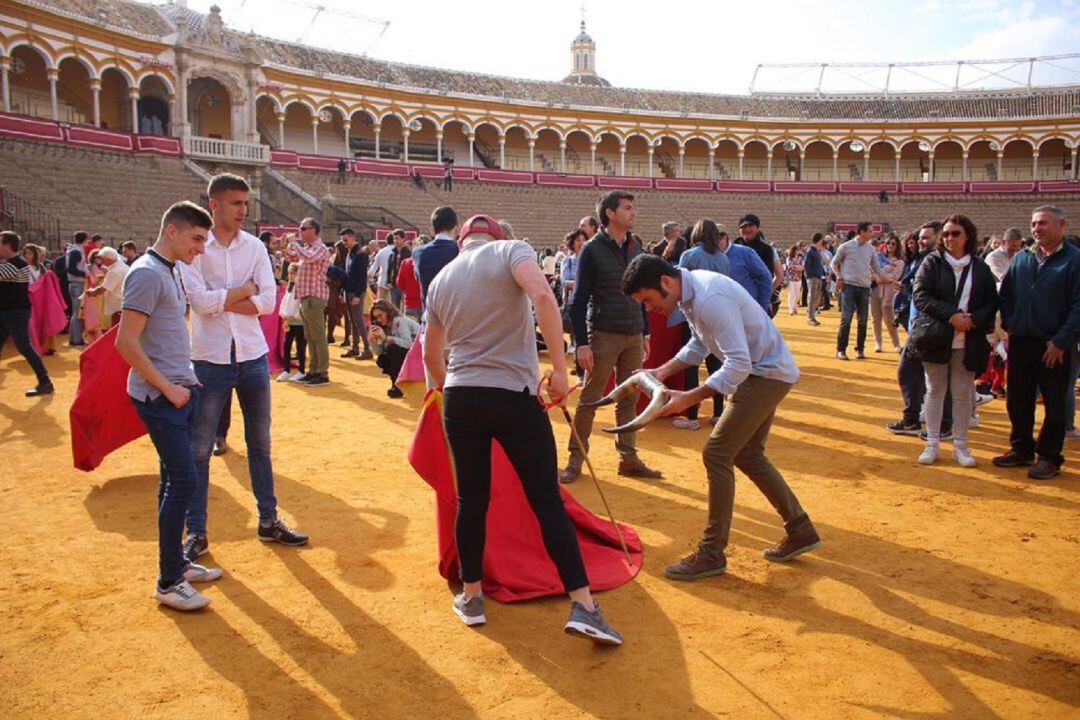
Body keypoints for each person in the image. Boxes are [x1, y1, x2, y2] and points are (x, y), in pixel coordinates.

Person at [423, 213, 623, 645]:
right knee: (546, 502)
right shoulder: (511, 250)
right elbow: (543, 298)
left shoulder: (442, 278)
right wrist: (558, 366)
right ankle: (584, 605)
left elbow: (430, 352)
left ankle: (472, 596)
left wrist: (443, 388)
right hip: (514, 394)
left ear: (462, 242)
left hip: (461, 395)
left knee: (471, 501)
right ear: (495, 235)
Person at [621, 254, 820, 579]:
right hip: (765, 371)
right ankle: (800, 529)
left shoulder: (708, 297)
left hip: (765, 373)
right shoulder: (689, 292)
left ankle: (712, 552)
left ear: (666, 283)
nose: (649, 310)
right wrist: (662, 370)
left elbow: (737, 363)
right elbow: (699, 345)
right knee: (748, 454)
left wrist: (690, 396)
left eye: (648, 300)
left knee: (717, 453)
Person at [179, 173, 309, 564]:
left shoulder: (253, 246)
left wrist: (224, 299)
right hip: (209, 357)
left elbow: (269, 301)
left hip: (250, 355)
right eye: (235, 203)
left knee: (260, 445)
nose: (243, 211)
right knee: (199, 450)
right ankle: (197, 533)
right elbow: (199, 303)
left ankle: (268, 520)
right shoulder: (195, 248)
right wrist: (244, 291)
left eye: (245, 204)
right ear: (214, 204)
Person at [113, 201, 222, 610]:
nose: (200, 249)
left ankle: (175, 563)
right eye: (196, 239)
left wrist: (186, 376)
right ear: (172, 231)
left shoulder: (168, 270)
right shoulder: (146, 273)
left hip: (176, 389)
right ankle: (169, 579)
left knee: (172, 481)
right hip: (161, 397)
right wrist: (169, 387)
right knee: (183, 482)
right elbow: (126, 342)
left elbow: (165, 334)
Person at [561, 190, 661, 483]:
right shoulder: (592, 249)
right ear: (610, 213)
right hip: (603, 333)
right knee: (590, 399)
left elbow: (641, 293)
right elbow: (579, 300)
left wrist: (646, 331)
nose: (634, 213)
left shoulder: (635, 247)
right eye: (628, 208)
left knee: (628, 398)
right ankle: (575, 460)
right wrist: (581, 343)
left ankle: (628, 459)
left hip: (632, 334)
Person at [994, 206, 1080, 480]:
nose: (1036, 229)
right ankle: (1021, 448)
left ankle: (1049, 456)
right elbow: (1006, 295)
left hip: (1054, 345)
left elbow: (1079, 306)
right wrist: (1010, 324)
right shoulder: (1022, 258)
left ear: (1061, 225)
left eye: (1043, 223)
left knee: (1054, 404)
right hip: (1021, 341)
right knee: (1017, 399)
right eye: (1033, 224)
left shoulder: (1075, 260)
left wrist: (1061, 341)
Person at [913, 214, 998, 467]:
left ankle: (961, 446)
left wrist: (972, 319)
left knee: (962, 395)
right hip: (937, 337)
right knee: (935, 392)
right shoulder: (932, 262)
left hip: (968, 338)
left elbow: (991, 301)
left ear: (967, 236)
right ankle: (932, 443)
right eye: (947, 233)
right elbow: (920, 296)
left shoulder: (980, 267)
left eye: (956, 233)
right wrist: (951, 315)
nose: (950, 238)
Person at [887, 222, 953, 437]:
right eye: (920, 237)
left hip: (934, 327)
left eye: (926, 237)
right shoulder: (923, 261)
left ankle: (940, 425)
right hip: (919, 326)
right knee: (911, 373)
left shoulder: (941, 263)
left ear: (939, 237)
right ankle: (913, 420)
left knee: (937, 379)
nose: (921, 241)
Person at [0, 231, 54, 396]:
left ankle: (45, 381)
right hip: (8, 311)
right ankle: (44, 382)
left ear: (7, 245)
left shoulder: (15, 264)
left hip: (14, 312)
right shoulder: (14, 263)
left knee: (25, 347)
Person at [286, 217, 332, 386]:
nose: (300, 231)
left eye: (303, 228)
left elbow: (308, 258)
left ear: (314, 230)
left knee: (318, 337)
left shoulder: (320, 248)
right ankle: (313, 371)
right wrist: (288, 247)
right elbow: (294, 259)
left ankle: (322, 372)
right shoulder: (308, 248)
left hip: (314, 296)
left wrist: (294, 244)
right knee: (310, 337)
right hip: (306, 297)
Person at [832, 221, 885, 360]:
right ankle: (841, 350)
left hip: (864, 287)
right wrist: (839, 277)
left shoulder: (871, 249)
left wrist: (889, 278)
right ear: (861, 232)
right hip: (849, 286)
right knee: (846, 319)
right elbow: (834, 263)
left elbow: (877, 268)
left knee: (863, 320)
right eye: (870, 231)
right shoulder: (846, 247)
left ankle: (859, 349)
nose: (872, 234)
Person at [368, 299, 419, 398]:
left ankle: (399, 386)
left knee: (393, 350)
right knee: (382, 359)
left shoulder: (398, 320)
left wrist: (386, 338)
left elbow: (408, 343)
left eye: (380, 315)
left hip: (419, 352)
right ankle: (396, 384)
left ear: (388, 311)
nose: (379, 320)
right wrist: (372, 341)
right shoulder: (382, 326)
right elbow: (379, 352)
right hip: (408, 352)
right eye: (376, 317)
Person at [737, 214, 783, 317]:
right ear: (739, 230)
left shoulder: (768, 250)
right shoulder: (732, 248)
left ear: (757, 228)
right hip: (736, 300)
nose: (747, 229)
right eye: (743, 227)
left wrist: (766, 294)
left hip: (759, 301)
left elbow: (779, 275)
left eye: (750, 226)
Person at [339, 228, 372, 360]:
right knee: (352, 321)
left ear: (353, 238)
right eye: (343, 241)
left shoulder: (361, 254)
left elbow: (362, 277)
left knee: (358, 321)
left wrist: (358, 295)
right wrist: (343, 291)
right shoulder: (350, 254)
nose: (344, 243)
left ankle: (367, 349)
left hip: (356, 292)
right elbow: (347, 275)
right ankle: (355, 347)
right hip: (349, 291)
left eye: (345, 240)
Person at [871, 233, 904, 353]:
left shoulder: (900, 262)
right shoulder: (878, 258)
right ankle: (878, 342)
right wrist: (883, 276)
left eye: (893, 243)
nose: (891, 245)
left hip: (890, 292)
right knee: (875, 318)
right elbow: (872, 274)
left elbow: (895, 276)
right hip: (875, 290)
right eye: (888, 243)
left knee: (889, 318)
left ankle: (896, 343)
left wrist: (880, 276)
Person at [277, 264, 307, 382]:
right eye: (289, 273)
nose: (290, 276)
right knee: (286, 346)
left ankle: (301, 371)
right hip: (289, 322)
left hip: (299, 323)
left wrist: (294, 316)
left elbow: (301, 306)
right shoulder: (289, 287)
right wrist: (283, 314)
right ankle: (286, 370)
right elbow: (284, 302)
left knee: (300, 347)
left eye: (293, 273)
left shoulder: (302, 288)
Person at [85, 246, 128, 327]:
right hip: (122, 304)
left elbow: (103, 289)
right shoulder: (122, 266)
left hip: (117, 306)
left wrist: (92, 292)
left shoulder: (114, 271)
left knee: (116, 332)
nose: (101, 261)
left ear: (108, 259)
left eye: (102, 258)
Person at [66, 231, 90, 346]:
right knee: (78, 312)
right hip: (77, 283)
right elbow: (71, 269)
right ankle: (76, 339)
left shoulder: (73, 250)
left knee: (75, 312)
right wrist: (84, 274)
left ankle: (73, 338)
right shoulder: (76, 251)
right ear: (85, 240)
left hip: (74, 283)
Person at [325, 240, 350, 348]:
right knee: (331, 313)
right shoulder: (335, 261)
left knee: (347, 316)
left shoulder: (348, 262)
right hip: (334, 292)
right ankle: (330, 336)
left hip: (343, 291)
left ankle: (347, 338)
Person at [803, 233, 827, 326]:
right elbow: (806, 265)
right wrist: (811, 276)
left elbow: (820, 265)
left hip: (818, 277)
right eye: (822, 239)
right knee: (812, 299)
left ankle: (811, 316)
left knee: (815, 299)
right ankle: (810, 318)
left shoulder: (816, 251)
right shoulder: (810, 251)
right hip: (813, 278)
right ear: (819, 240)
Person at [395, 253, 422, 321]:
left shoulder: (405, 263)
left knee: (411, 329)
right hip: (425, 303)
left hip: (410, 302)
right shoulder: (429, 262)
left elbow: (400, 284)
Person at [372, 236, 394, 301]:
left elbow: (374, 266)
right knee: (395, 306)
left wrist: (370, 274)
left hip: (382, 281)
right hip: (394, 283)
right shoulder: (398, 251)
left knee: (381, 305)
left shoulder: (381, 251)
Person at [785, 244, 804, 316]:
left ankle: (795, 307)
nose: (799, 251)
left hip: (799, 278)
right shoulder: (789, 258)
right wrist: (798, 267)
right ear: (795, 250)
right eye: (798, 250)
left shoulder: (800, 258)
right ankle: (791, 310)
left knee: (798, 294)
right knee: (791, 294)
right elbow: (790, 266)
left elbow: (803, 267)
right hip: (791, 278)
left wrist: (797, 267)